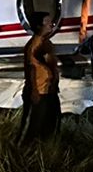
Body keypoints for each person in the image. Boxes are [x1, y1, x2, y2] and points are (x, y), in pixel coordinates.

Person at [19, 13, 62, 141]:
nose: (51, 24)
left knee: (51, 122)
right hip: (40, 91)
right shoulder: (35, 44)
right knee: (34, 125)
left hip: (49, 90)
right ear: (39, 26)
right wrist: (34, 90)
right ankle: (24, 149)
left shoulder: (46, 42)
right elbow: (32, 68)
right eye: (47, 21)